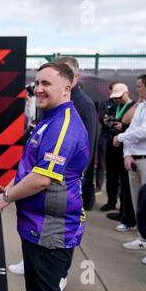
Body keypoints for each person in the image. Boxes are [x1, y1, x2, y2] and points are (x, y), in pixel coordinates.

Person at [0, 62, 89, 291]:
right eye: (37, 83)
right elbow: (32, 168)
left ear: (66, 88)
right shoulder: (49, 119)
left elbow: (42, 178)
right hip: (36, 227)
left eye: (46, 83)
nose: (39, 88)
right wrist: (11, 188)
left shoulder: (63, 125)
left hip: (50, 231)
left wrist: (8, 196)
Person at [113, 71, 146, 266]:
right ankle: (144, 239)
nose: (137, 89)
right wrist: (127, 153)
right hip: (136, 160)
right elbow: (132, 129)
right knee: (140, 203)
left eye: (140, 86)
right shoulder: (141, 106)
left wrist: (120, 139)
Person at [54, 56, 97, 212]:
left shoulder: (85, 105)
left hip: (68, 181)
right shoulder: (55, 101)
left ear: (76, 77)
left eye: (66, 72)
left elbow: (88, 149)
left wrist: (74, 181)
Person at [101, 83, 136, 231]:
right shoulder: (113, 105)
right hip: (112, 143)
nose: (117, 99)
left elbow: (135, 127)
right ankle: (111, 201)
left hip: (125, 147)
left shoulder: (134, 107)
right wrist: (108, 123)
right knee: (111, 174)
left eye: (119, 96)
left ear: (126, 93)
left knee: (124, 178)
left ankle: (124, 209)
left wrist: (124, 127)